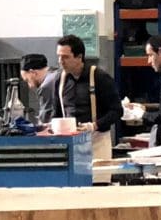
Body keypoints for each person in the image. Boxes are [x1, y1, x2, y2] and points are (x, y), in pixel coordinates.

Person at [48, 35, 120, 164]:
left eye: (65, 57)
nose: (60, 61)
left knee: (98, 176)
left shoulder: (100, 77)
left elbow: (117, 111)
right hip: (70, 143)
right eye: (59, 56)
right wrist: (51, 127)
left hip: (97, 141)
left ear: (79, 57)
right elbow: (56, 112)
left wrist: (94, 125)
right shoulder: (59, 80)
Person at [14, 53, 51, 124]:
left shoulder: (46, 87)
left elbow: (45, 121)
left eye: (27, 80)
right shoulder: (57, 75)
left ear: (33, 72)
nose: (30, 86)